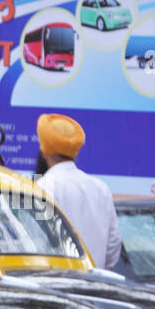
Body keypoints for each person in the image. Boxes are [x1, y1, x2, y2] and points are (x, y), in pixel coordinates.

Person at [35, 113, 121, 269]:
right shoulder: (101, 188)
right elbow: (113, 246)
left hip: (56, 282)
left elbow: (38, 240)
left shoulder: (43, 187)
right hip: (96, 282)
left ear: (44, 151)